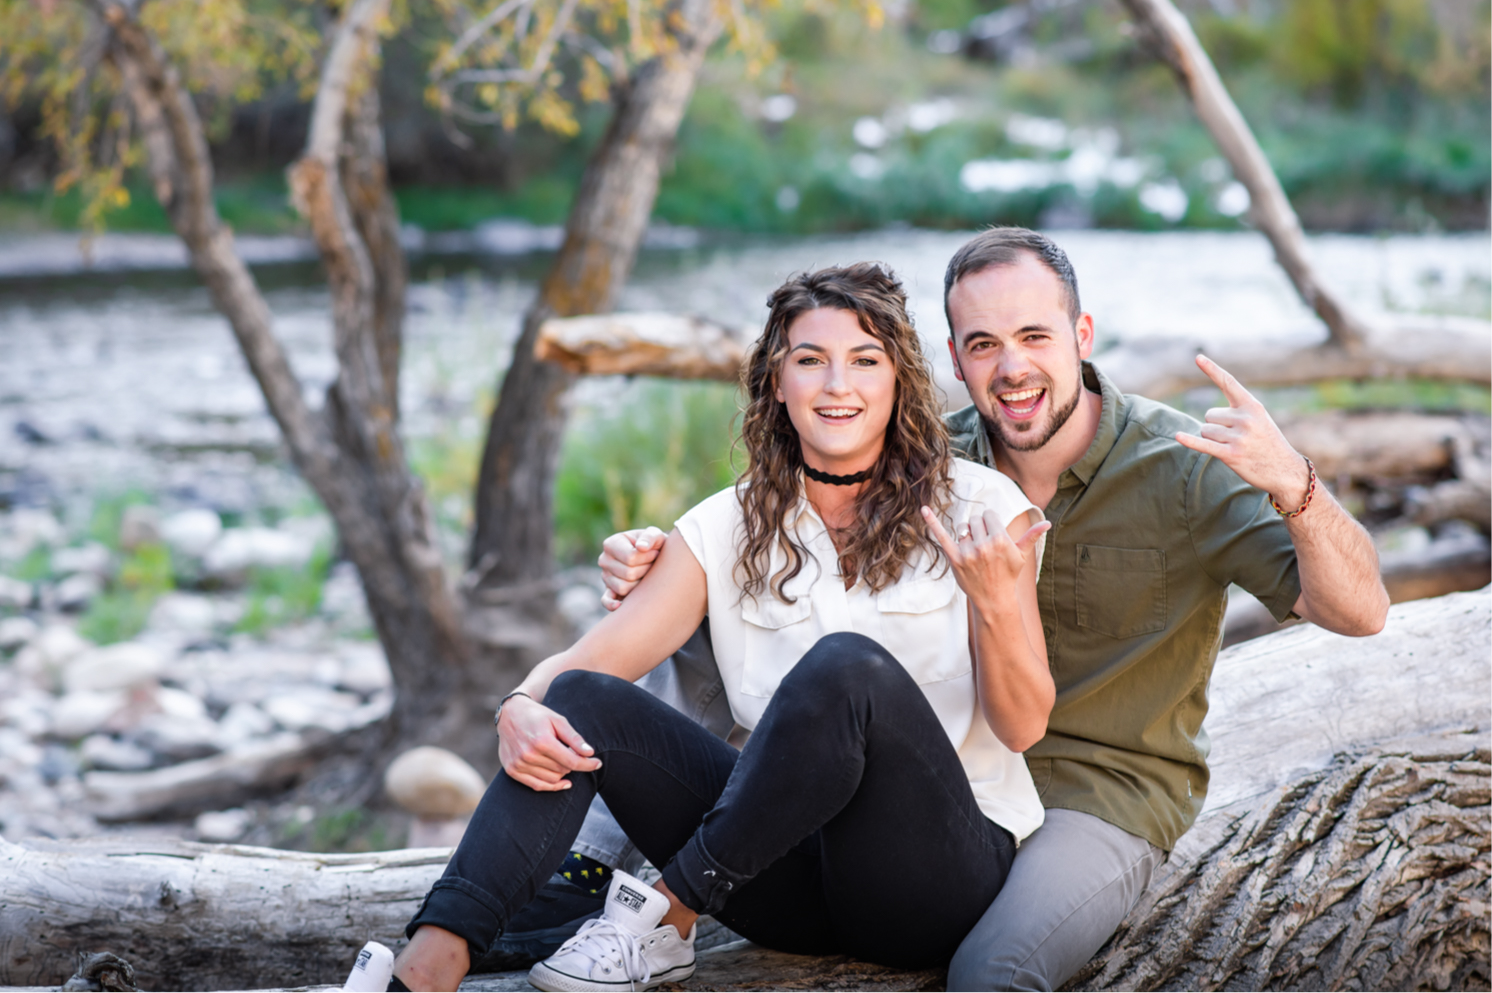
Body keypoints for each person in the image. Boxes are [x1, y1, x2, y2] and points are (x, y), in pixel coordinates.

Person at [594, 228, 1390, 991]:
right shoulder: (926, 463)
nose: (1011, 367)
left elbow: (1359, 613)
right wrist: (657, 563)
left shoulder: (1182, 468)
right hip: (943, 782)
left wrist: (1296, 486)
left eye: (1034, 336)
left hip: (1092, 794)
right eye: (982, 345)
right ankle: (583, 874)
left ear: (1081, 333)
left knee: (990, 973)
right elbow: (773, 563)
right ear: (952, 359)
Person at [379, 263, 1057, 993]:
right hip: (777, 878)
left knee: (847, 668)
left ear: (899, 382)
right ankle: (426, 969)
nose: (838, 386)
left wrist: (991, 600)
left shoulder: (983, 509)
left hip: (931, 881)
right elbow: (593, 663)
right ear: (775, 380)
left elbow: (1022, 728)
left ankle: (664, 920)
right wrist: (517, 706)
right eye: (810, 361)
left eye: (866, 361)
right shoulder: (721, 527)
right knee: (576, 698)